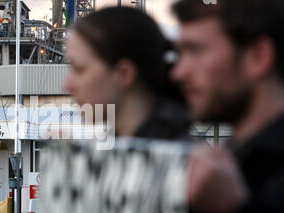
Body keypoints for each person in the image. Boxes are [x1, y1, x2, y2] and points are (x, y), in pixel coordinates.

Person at [171, 0, 284, 213]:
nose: (179, 73)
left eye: (196, 51)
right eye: (180, 53)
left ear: (258, 57)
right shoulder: (229, 161)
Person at [63, 7, 190, 140]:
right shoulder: (111, 153)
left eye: (79, 69)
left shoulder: (182, 158)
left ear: (124, 74)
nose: (67, 85)